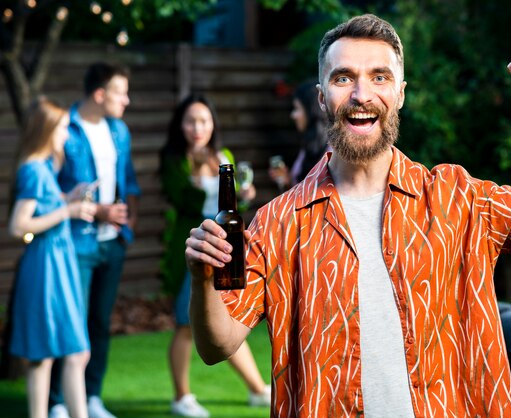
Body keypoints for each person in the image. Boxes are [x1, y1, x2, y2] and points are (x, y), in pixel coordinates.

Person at [185, 13, 511, 418]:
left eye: (379, 77)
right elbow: (216, 346)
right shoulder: (278, 222)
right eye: (343, 77)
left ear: (400, 93)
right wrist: (204, 281)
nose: (361, 94)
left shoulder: (457, 198)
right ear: (321, 98)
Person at [158, 93, 270, 417]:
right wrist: (214, 187)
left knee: (229, 318)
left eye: (203, 121)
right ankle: (181, 397)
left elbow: (231, 210)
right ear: (181, 125)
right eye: (191, 121)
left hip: (225, 251)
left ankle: (256, 389)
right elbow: (187, 200)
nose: (197, 127)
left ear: (213, 124)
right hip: (191, 250)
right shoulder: (175, 160)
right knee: (184, 325)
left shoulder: (224, 156)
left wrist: (243, 197)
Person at [50, 62, 141, 418]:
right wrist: (97, 210)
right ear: (100, 94)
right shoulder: (65, 129)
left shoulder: (119, 131)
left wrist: (127, 220)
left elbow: (129, 180)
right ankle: (57, 401)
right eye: (121, 92)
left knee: (101, 322)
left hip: (112, 242)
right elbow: (53, 189)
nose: (128, 100)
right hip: (76, 242)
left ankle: (91, 398)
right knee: (71, 321)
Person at [7, 97, 96, 418]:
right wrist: (68, 210)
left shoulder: (43, 166)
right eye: (61, 128)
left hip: (58, 262)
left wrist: (67, 197)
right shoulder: (33, 169)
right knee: (54, 354)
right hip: (46, 265)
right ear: (45, 130)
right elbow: (18, 226)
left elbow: (46, 205)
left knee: (67, 353)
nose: (66, 135)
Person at [268, 80, 331, 189]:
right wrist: (287, 180)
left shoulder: (333, 151)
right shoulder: (309, 147)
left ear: (311, 111)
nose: (293, 115)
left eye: (297, 108)